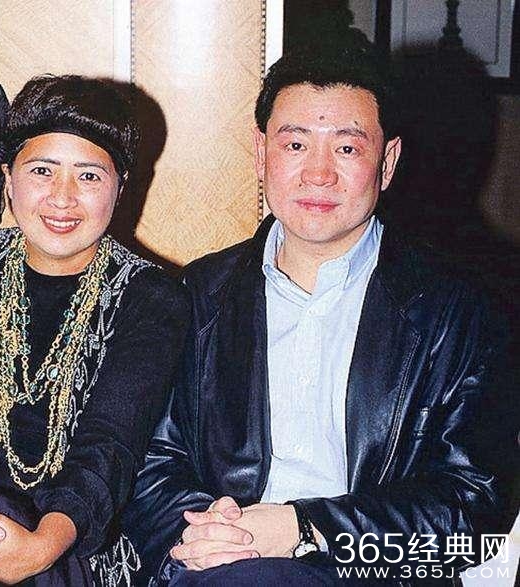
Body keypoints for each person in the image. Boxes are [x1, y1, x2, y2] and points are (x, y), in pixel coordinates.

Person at [122, 35, 513, 585]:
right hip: (217, 567)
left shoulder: (457, 312)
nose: (319, 174)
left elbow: (472, 507)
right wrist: (206, 535)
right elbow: (148, 461)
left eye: (347, 149)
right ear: (262, 154)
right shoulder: (194, 296)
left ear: (388, 162)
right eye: (295, 145)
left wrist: (306, 529)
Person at [0, 75, 189, 585]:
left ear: (120, 188)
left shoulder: (151, 297)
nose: (62, 198)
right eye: (42, 170)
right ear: (8, 177)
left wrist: (38, 550)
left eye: (89, 176)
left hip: (64, 537)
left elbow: (110, 443)